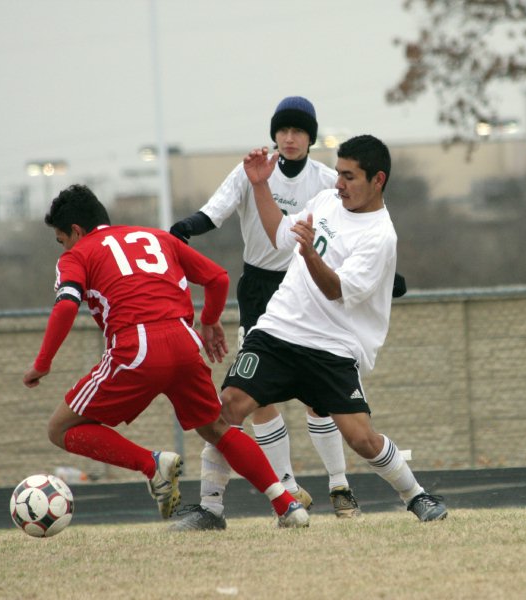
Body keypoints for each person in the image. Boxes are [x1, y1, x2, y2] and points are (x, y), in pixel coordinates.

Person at [169, 96, 405, 530]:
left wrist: (388, 277)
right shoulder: (252, 171)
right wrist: (182, 229)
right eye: (283, 130)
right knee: (251, 402)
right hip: (265, 293)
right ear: (274, 134)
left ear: (311, 139)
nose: (290, 138)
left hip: (311, 289)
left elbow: (357, 240)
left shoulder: (329, 181)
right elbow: (215, 213)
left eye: (298, 131)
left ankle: (339, 484)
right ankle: (284, 488)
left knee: (323, 407)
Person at [22, 184, 309, 529]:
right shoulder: (156, 236)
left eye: (62, 239)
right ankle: (288, 506)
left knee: (60, 427)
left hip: (136, 345)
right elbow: (217, 278)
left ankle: (151, 464)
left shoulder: (77, 254)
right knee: (217, 427)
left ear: (77, 231)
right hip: (185, 342)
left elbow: (67, 304)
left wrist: (43, 363)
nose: (63, 247)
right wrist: (209, 322)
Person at [213, 135, 447, 523]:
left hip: (333, 347)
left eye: (350, 176)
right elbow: (279, 235)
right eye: (338, 173)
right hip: (278, 331)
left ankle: (416, 495)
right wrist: (259, 186)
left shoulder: (380, 236)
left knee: (362, 439)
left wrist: (309, 253)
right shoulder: (325, 201)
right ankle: (210, 507)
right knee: (228, 407)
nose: (339, 183)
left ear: (378, 180)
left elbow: (336, 289)